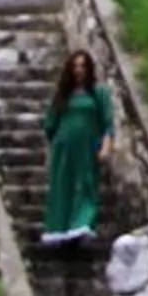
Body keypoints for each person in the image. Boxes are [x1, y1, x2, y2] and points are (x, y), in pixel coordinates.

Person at [41, 50, 113, 247]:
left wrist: (105, 147)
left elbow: (108, 124)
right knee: (62, 186)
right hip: (63, 149)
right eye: (75, 66)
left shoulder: (98, 93)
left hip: (87, 149)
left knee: (86, 185)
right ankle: (59, 229)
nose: (79, 70)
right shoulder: (63, 95)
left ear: (89, 69)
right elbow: (50, 125)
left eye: (82, 66)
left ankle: (82, 224)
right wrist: (51, 150)